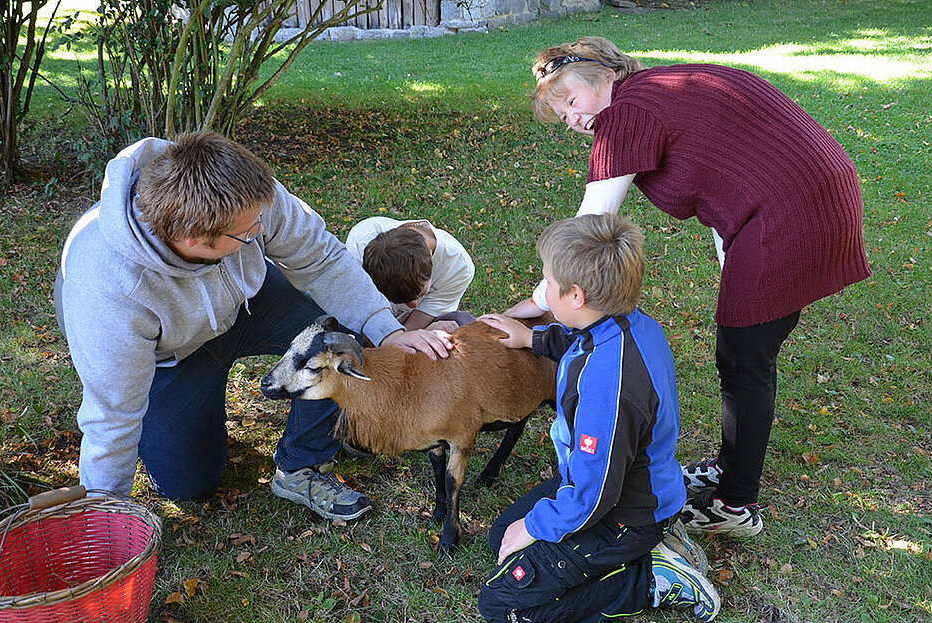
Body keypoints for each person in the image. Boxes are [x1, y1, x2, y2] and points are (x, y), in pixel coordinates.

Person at [504, 37, 871, 537]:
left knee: (744, 361)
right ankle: (729, 468)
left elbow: (590, 228)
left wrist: (540, 300)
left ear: (606, 76)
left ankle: (734, 507)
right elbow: (728, 180)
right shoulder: (660, 87)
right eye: (562, 115)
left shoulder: (627, 114)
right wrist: (734, 266)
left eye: (572, 101)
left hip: (790, 213)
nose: (573, 119)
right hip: (816, 194)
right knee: (746, 352)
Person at [54, 132, 452, 520]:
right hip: (170, 355)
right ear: (193, 237)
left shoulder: (243, 193)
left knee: (339, 335)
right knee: (189, 483)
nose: (261, 230)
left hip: (247, 302)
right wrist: (103, 520)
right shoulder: (110, 291)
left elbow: (322, 258)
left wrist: (390, 331)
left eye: (260, 219)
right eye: (247, 233)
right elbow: (111, 418)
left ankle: (301, 465)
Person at [477, 214, 720, 623]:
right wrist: (533, 338)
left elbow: (594, 498)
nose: (543, 290)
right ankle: (646, 549)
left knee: (502, 604)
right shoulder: (626, 324)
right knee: (501, 537)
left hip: (624, 515)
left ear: (575, 295)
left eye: (547, 283)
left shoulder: (610, 390)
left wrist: (534, 528)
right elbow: (580, 342)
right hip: (611, 481)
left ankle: (650, 578)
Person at [344, 216, 476, 332]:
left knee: (459, 321)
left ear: (430, 260)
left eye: (421, 295)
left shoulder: (458, 266)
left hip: (412, 328)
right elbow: (354, 310)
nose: (414, 305)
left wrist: (422, 333)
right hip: (363, 318)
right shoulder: (361, 241)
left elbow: (417, 322)